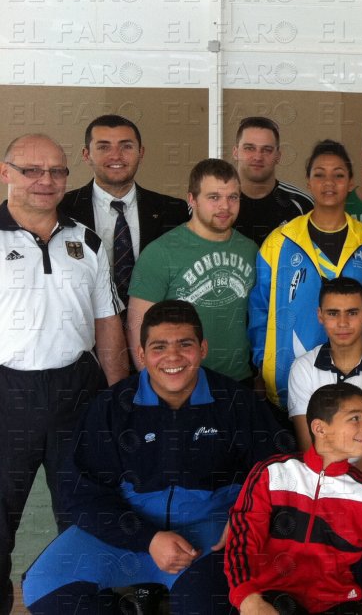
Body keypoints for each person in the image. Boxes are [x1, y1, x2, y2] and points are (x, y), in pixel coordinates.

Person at [21, 300, 289, 614]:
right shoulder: (111, 407)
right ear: (141, 354)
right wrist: (147, 537)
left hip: (209, 536)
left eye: (185, 344)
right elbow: (80, 492)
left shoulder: (237, 404)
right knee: (44, 588)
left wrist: (246, 520)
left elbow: (281, 473)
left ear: (202, 349)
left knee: (203, 605)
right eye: (159, 347)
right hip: (127, 531)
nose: (172, 357)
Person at [0, 133, 128, 615]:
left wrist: (119, 402)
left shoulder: (86, 240)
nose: (46, 180)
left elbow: (107, 324)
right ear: (5, 173)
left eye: (56, 171)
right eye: (32, 170)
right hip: (7, 392)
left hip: (77, 392)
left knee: (83, 517)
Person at [225, 382, 362, 615]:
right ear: (319, 428)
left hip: (338, 604)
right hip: (271, 600)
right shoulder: (270, 473)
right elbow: (242, 541)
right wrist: (248, 599)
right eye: (355, 418)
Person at [249, 140, 362, 410]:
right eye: (319, 174)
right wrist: (262, 363)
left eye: (338, 175)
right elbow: (259, 310)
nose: (329, 182)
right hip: (287, 381)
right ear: (308, 181)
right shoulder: (279, 242)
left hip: (353, 383)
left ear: (351, 182)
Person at [128, 159, 258, 382]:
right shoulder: (160, 253)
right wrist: (152, 387)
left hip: (239, 381)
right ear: (192, 199)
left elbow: (261, 317)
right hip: (180, 384)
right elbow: (137, 327)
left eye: (233, 197)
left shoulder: (251, 250)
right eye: (214, 197)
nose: (225, 207)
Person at [287, 278, 362, 498]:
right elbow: (309, 446)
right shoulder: (303, 368)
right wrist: (330, 485)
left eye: (352, 313)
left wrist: (342, 488)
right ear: (320, 316)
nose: (342, 323)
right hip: (320, 474)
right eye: (333, 313)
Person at [59, 114, 190, 306]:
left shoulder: (174, 210)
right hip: (83, 320)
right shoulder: (61, 209)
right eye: (104, 147)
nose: (116, 156)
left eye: (126, 146)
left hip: (154, 320)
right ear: (86, 155)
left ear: (141, 152)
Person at [232, 116, 313, 245]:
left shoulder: (302, 205)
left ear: (278, 156)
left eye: (267, 150)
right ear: (235, 152)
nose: (258, 157)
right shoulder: (214, 204)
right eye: (249, 148)